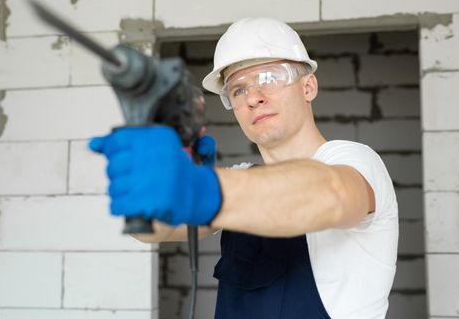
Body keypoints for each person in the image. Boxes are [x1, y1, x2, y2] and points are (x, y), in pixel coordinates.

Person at [89, 17, 399, 319]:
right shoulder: (238, 180)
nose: (253, 98)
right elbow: (157, 230)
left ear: (308, 87)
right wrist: (155, 188)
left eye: (268, 78)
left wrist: (203, 186)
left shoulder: (355, 162)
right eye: (238, 90)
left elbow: (330, 194)